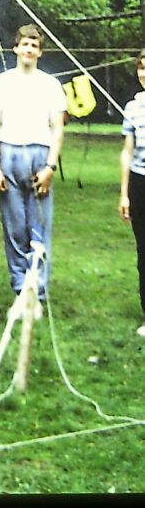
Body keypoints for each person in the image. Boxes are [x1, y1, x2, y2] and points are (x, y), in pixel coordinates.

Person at [0, 23, 66, 305]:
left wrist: (50, 167)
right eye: (25, 44)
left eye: (34, 45)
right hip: (9, 153)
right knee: (14, 227)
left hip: (40, 153)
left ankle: (38, 291)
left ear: (40, 52)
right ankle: (20, 287)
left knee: (38, 227)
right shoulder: (1, 82)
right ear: (16, 48)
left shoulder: (50, 84)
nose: (29, 49)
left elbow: (57, 128)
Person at [118, 47, 145, 337]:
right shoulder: (133, 107)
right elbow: (127, 151)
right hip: (139, 183)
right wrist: (124, 194)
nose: (144, 73)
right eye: (141, 67)